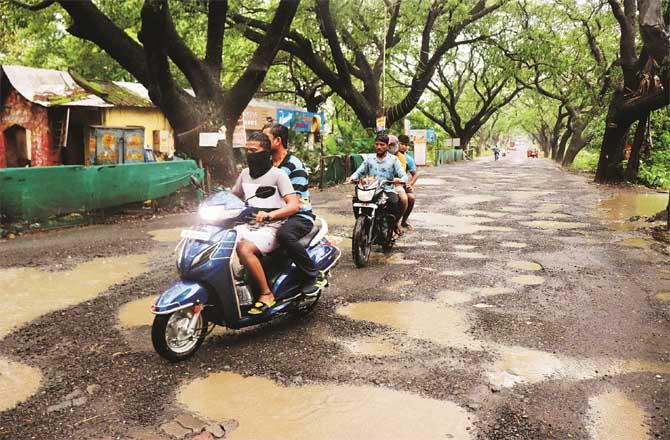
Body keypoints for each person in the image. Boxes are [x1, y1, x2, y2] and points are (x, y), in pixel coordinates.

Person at [231, 132, 301, 315]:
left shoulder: (278, 175)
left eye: (253, 150)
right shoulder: (245, 174)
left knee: (244, 249)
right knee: (219, 242)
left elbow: (294, 205)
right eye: (246, 150)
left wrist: (271, 216)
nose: (248, 154)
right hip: (249, 224)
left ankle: (266, 294)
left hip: (272, 227)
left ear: (266, 152)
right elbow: (233, 196)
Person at [263, 123, 325, 295]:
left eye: (265, 138)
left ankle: (313, 275)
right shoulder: (266, 164)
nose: (261, 142)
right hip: (274, 214)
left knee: (284, 235)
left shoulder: (294, 165)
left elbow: (295, 203)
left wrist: (270, 214)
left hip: (298, 215)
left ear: (277, 140)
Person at [347, 134, 407, 236]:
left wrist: (400, 180)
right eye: (377, 144)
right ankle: (362, 224)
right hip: (371, 189)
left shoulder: (393, 159)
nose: (379, 147)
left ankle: (393, 226)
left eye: (382, 145)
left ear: (387, 146)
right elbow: (359, 172)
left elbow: (404, 176)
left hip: (387, 189)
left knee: (395, 202)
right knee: (356, 200)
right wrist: (352, 178)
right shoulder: (369, 159)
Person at [387, 135, 408, 233]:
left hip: (395, 184)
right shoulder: (376, 156)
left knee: (404, 199)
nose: (390, 147)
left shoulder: (400, 158)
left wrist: (398, 179)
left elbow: (402, 174)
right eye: (388, 145)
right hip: (378, 184)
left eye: (392, 145)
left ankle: (396, 222)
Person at [398, 134, 419, 230]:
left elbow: (415, 174)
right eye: (401, 144)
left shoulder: (408, 159)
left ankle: (403, 221)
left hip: (401, 183)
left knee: (411, 198)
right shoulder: (388, 154)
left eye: (406, 145)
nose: (404, 146)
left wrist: (410, 184)